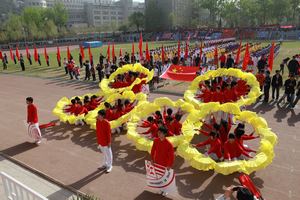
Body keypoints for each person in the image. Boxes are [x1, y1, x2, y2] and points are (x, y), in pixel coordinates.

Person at [150, 126, 175, 196]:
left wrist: (169, 165)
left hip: (165, 164)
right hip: (157, 162)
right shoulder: (156, 140)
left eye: (160, 133)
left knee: (165, 178)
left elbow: (171, 156)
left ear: (164, 134)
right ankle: (161, 189)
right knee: (159, 176)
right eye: (158, 132)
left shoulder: (169, 144)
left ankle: (166, 190)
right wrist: (152, 159)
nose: (158, 134)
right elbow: (152, 150)